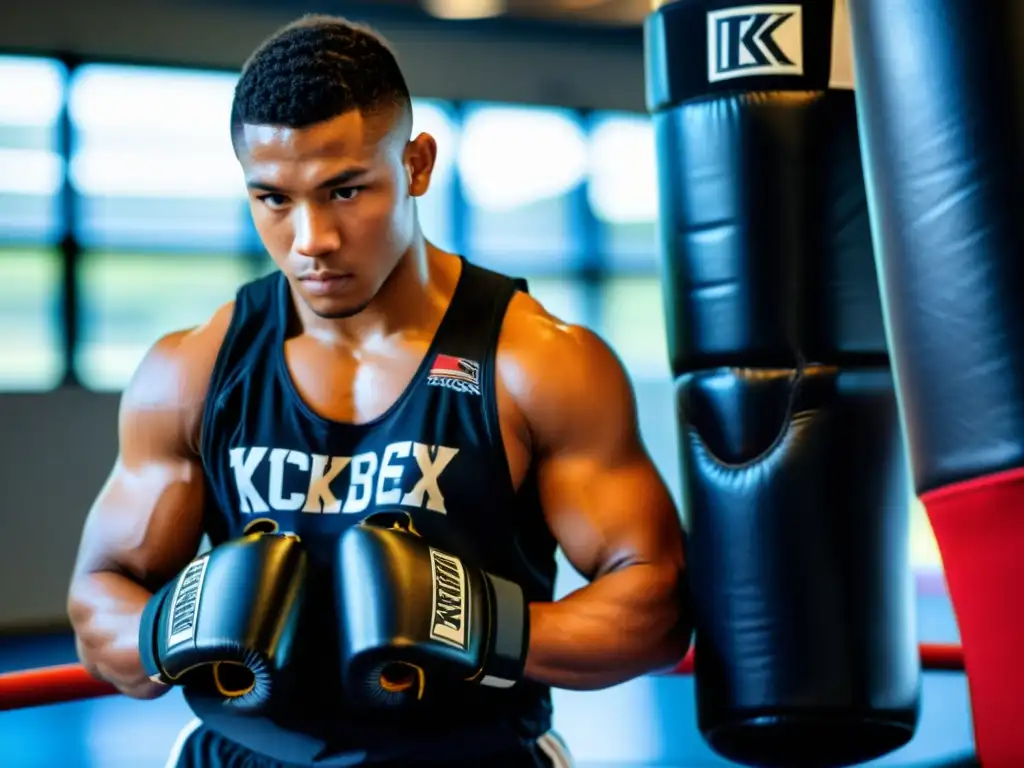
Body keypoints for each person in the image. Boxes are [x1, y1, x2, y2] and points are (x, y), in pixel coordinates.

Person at [66, 14, 691, 768]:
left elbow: (653, 607)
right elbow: (100, 599)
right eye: (273, 199)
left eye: (346, 190)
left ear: (417, 165)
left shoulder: (537, 364)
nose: (312, 240)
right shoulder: (192, 372)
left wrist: (480, 627)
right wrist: (168, 628)